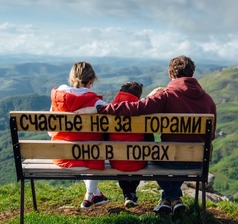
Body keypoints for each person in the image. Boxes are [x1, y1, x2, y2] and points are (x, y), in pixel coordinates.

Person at [75, 55, 217, 216]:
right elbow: (211, 136)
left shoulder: (167, 95)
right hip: (197, 161)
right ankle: (172, 200)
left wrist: (101, 109)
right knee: (172, 156)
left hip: (169, 161)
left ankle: (172, 197)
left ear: (170, 74)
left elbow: (136, 108)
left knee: (151, 154)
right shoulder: (208, 101)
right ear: (192, 74)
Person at [50, 61, 108, 209]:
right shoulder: (97, 103)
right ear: (91, 81)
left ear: (71, 78)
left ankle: (93, 196)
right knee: (94, 151)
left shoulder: (58, 96)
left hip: (62, 156)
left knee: (83, 150)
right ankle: (92, 194)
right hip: (89, 160)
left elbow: (50, 131)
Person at [108, 81, 154, 208]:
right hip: (138, 160)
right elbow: (149, 140)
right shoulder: (142, 111)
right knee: (138, 157)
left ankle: (127, 194)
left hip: (116, 160)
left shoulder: (110, 109)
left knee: (120, 158)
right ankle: (131, 191)